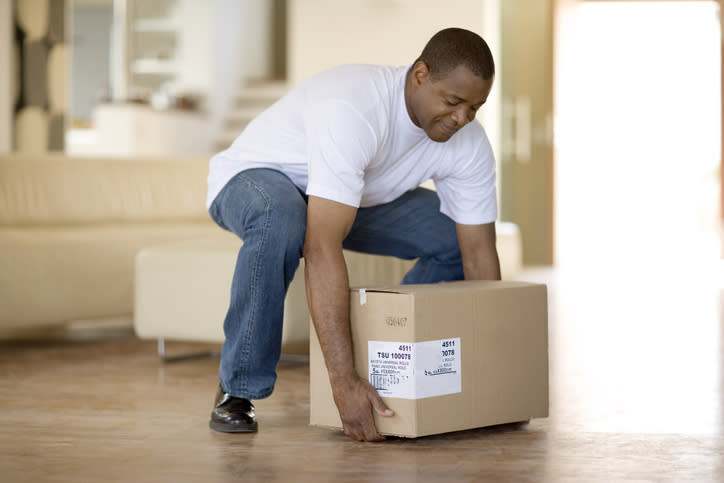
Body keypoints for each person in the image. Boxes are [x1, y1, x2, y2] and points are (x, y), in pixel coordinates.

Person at [205, 27, 501, 442]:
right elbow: (321, 245)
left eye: (476, 107)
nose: (462, 119)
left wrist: (495, 378)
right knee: (283, 218)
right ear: (419, 75)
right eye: (453, 102)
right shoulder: (355, 107)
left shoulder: (468, 142)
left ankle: (393, 367)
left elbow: (479, 254)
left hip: (350, 197)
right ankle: (238, 389)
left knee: (450, 239)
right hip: (254, 178)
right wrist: (342, 382)